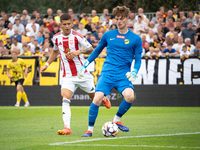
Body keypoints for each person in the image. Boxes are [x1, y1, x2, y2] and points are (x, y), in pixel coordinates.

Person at [40, 13, 111, 135]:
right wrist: (47, 64)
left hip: (82, 73)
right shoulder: (56, 38)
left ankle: (103, 97)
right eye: (64, 24)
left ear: (72, 23)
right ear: (60, 25)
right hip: (67, 75)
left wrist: (78, 51)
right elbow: (55, 52)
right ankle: (67, 128)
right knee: (65, 98)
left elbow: (90, 49)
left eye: (69, 24)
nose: (67, 26)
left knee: (94, 98)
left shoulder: (77, 36)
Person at [78, 6, 142, 137]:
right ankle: (89, 130)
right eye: (117, 19)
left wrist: (135, 71)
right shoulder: (108, 35)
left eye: (122, 19)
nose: (119, 21)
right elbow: (97, 51)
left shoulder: (136, 39)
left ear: (127, 18)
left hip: (123, 74)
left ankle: (116, 120)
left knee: (130, 96)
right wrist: (86, 63)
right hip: (107, 72)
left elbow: (139, 60)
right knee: (97, 98)